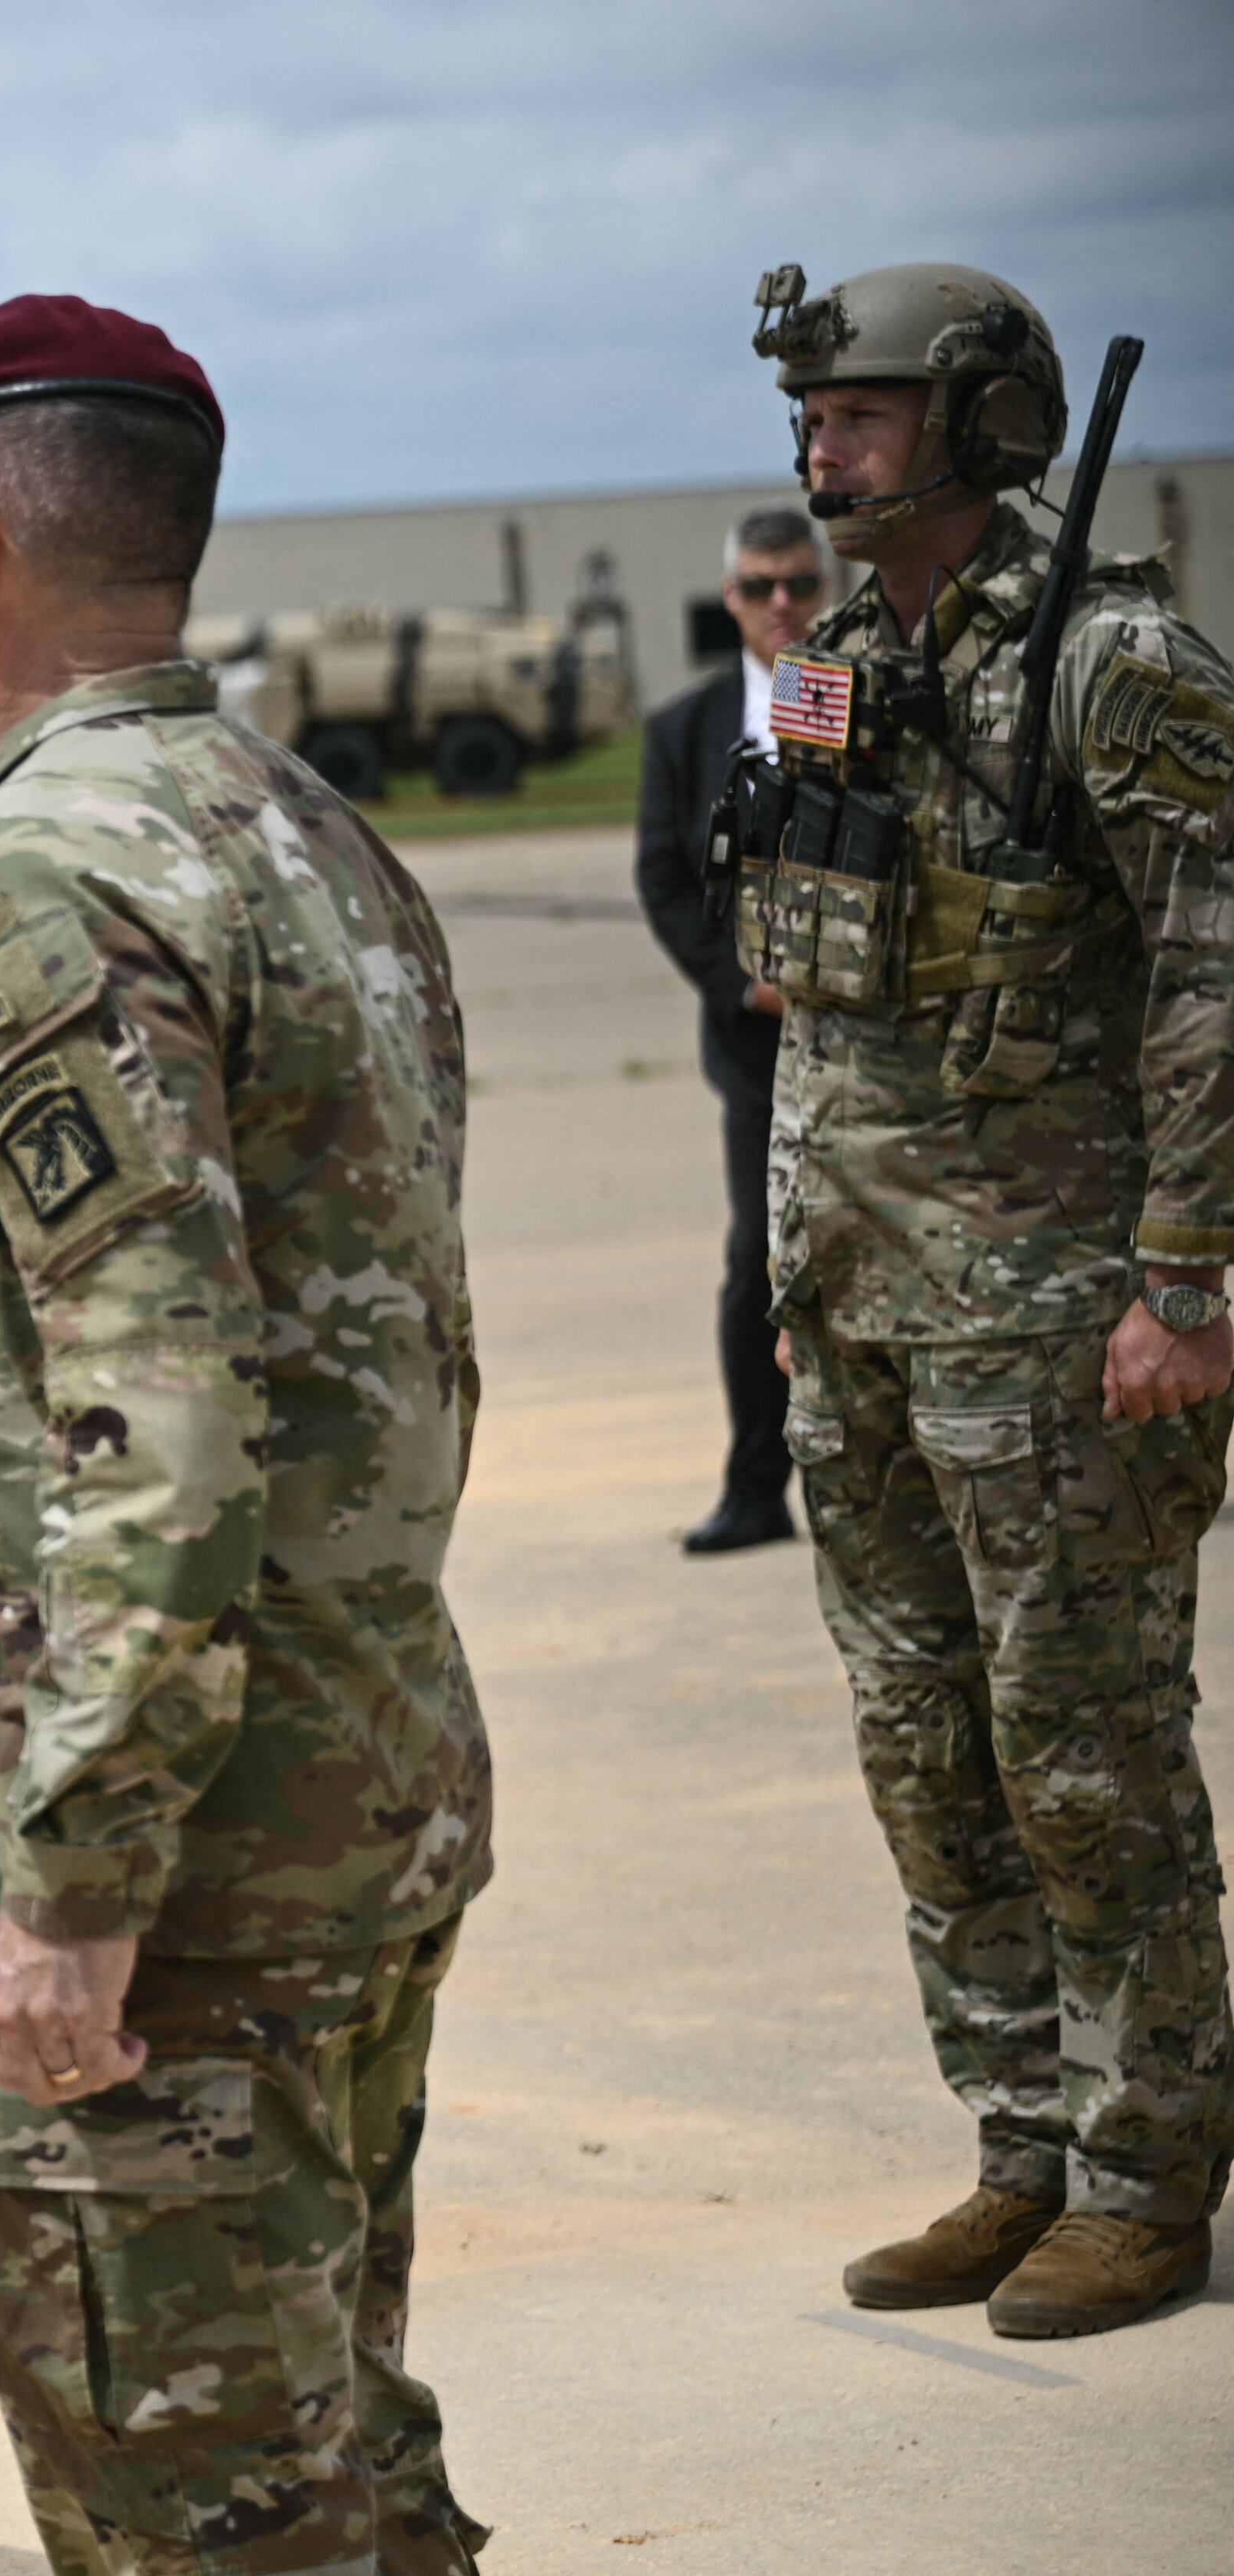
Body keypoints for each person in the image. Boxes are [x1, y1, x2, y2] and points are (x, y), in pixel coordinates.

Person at [0, 297, 495, 2574]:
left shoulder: (44, 877)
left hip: (181, 1869)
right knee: (335, 2445)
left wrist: (79, 1881)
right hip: (350, 1770)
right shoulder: (300, 827)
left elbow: (166, 1410)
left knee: (204, 2501)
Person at [735, 261, 1234, 2337]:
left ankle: (1149, 2164)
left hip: (1060, 1309)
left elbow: (1219, 971)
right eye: (813, 412)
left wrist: (1187, 1271)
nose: (822, 447)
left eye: (862, 412)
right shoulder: (841, 654)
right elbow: (804, 969)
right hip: (863, 1296)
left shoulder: (1117, 664)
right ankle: (1019, 2140)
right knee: (924, 1736)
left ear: (984, 421)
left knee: (1083, 1737)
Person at [636, 506, 830, 1553]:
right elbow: (664, 880)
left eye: (801, 583)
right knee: (761, 1261)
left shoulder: (866, 697)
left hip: (885, 1041)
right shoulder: (686, 729)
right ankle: (757, 1484)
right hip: (759, 1045)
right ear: (732, 599)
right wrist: (747, 987)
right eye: (763, 588)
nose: (784, 606)